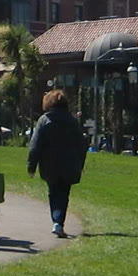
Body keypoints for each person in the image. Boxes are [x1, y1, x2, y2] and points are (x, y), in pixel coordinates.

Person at [25, 89, 89, 238]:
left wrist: (31, 166)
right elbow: (82, 145)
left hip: (50, 164)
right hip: (69, 164)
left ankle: (57, 221)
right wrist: (80, 164)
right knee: (64, 193)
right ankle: (59, 222)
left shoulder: (44, 120)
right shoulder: (72, 121)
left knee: (53, 192)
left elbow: (35, 145)